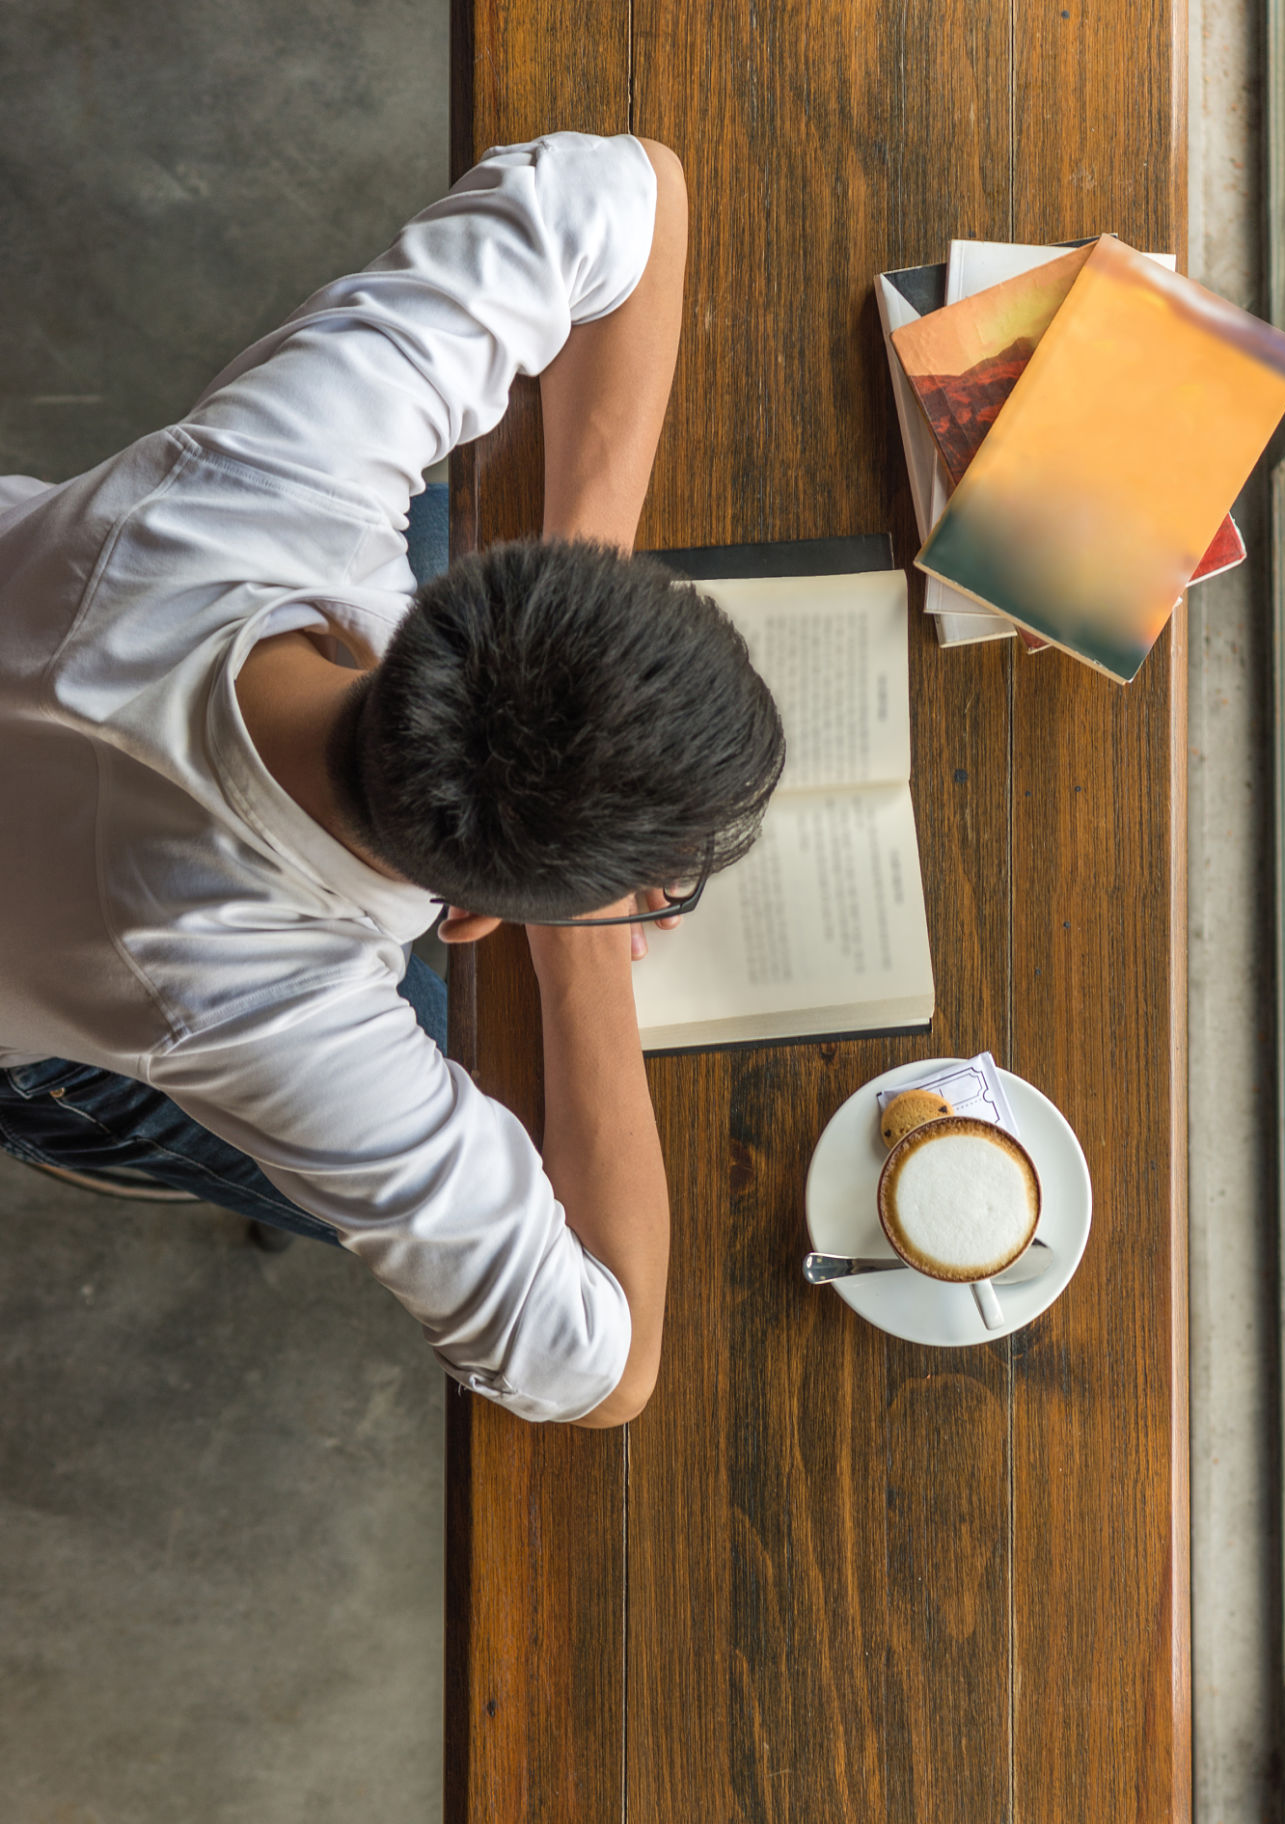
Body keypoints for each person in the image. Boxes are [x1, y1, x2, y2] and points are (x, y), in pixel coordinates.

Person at [0, 132, 785, 1430]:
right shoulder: (258, 1012)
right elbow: (604, 1372)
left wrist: (584, 589)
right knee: (377, 1136)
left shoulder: (263, 479)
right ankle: (84, 1133)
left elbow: (634, 185)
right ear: (477, 909)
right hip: (61, 1029)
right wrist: (578, 947)